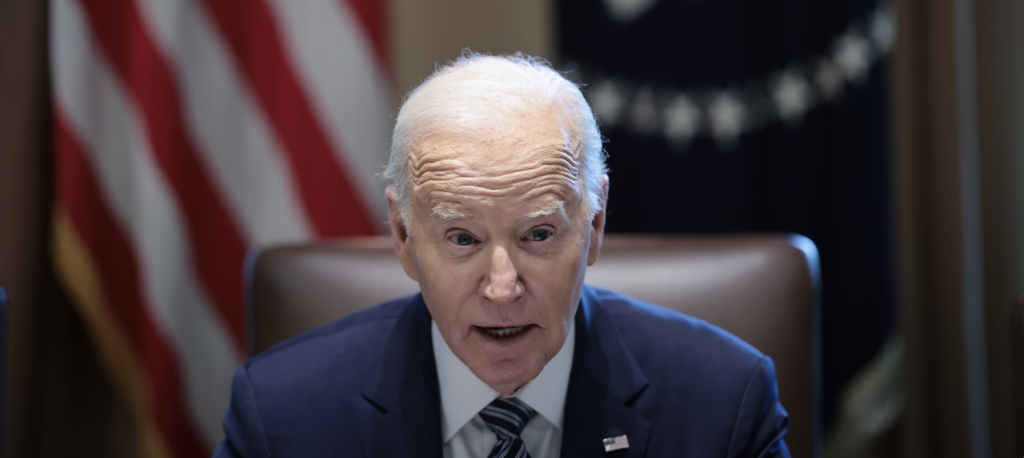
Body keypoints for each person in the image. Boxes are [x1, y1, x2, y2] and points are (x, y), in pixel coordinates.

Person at [212, 52, 790, 458]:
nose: (502, 288)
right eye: (462, 239)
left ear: (594, 225)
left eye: (538, 235)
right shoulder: (281, 419)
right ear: (403, 236)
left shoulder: (724, 405)